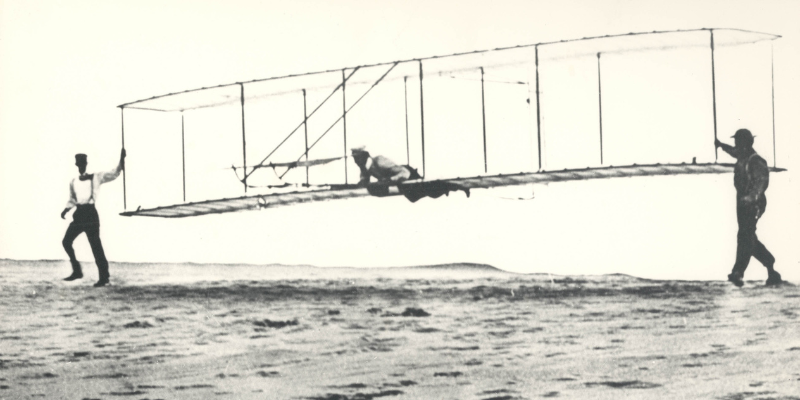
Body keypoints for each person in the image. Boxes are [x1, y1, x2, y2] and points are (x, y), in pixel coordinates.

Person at [715, 129, 780, 287]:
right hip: (743, 202)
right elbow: (733, 151)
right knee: (748, 236)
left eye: (738, 141)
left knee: (745, 235)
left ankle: (738, 272)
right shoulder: (742, 155)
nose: (736, 144)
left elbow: (761, 183)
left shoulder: (755, 160)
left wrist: (751, 198)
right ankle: (770, 265)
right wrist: (721, 145)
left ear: (746, 143)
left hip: (753, 203)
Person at [61, 149, 126, 287]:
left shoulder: (96, 177)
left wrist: (121, 160)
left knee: (96, 246)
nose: (81, 166)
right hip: (79, 215)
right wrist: (66, 210)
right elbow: (72, 199)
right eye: (79, 164)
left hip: (91, 214)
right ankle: (77, 271)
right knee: (66, 241)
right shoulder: (73, 182)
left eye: (83, 164)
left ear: (86, 164)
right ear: (77, 165)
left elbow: (114, 173)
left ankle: (104, 277)